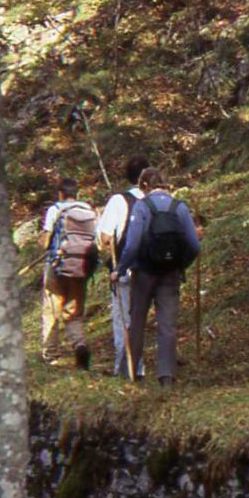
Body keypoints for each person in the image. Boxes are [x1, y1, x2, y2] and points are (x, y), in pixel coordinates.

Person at [117, 167, 201, 385]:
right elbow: (194, 245)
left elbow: (132, 243)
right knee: (167, 325)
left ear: (145, 186)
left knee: (137, 322)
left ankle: (131, 373)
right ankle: (166, 377)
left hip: (144, 272)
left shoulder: (141, 206)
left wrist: (120, 268)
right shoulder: (179, 207)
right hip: (170, 273)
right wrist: (181, 265)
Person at [96, 155, 149, 378]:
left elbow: (105, 239)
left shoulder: (119, 200)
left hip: (126, 269)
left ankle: (126, 367)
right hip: (154, 269)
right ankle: (141, 367)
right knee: (141, 318)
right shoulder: (157, 199)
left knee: (123, 319)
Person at [40, 177, 97, 369]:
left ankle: (51, 355)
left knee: (52, 311)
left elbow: (46, 241)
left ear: (61, 194)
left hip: (57, 267)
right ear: (77, 194)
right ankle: (79, 344)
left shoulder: (56, 210)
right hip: (80, 268)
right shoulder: (89, 211)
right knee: (74, 313)